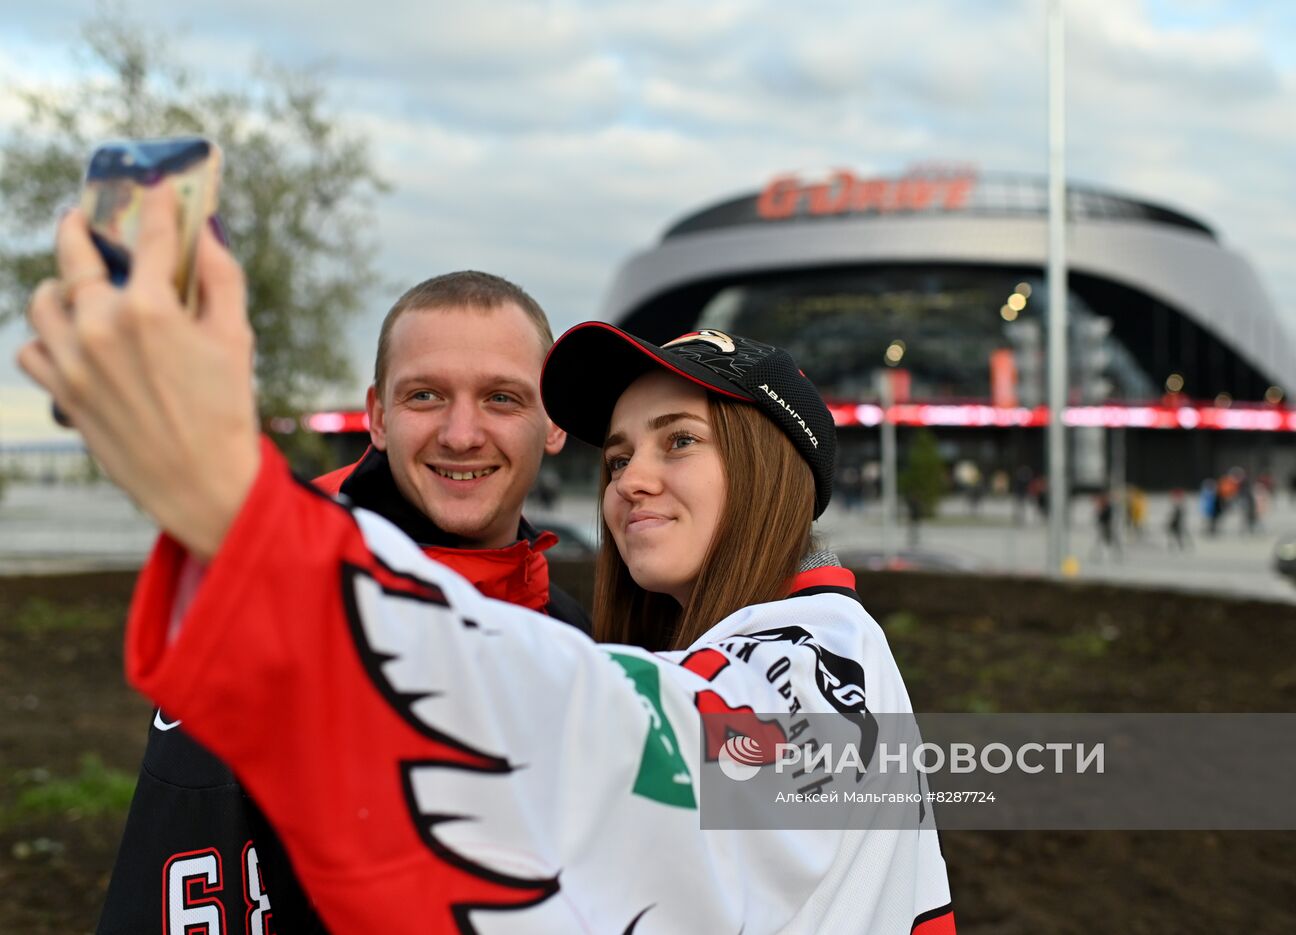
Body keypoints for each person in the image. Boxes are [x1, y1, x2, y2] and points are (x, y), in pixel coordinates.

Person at [21, 189, 954, 933]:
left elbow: (602, 733)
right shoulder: (658, 652)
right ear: (378, 412)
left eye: (679, 442)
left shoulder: (819, 660)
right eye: (621, 453)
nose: (632, 481)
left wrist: (250, 520)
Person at [94, 269, 589, 932]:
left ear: (552, 422)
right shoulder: (266, 620)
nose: (462, 433)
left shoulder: (578, 628)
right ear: (379, 417)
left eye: (502, 397)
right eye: (425, 396)